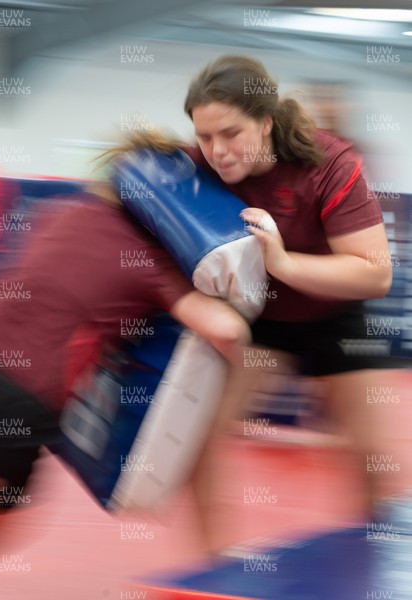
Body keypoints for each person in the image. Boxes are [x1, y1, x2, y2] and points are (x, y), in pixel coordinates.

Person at [0, 180, 251, 566]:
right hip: (14, 400)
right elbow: (226, 330)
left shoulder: (66, 211)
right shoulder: (147, 261)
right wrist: (245, 301)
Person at [182, 55, 394, 552]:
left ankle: (373, 564)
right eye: (205, 137)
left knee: (370, 456)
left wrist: (284, 262)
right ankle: (214, 571)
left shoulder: (330, 162)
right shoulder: (196, 164)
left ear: (267, 122)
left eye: (231, 133)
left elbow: (376, 272)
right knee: (200, 439)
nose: (217, 151)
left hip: (333, 311)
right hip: (260, 317)